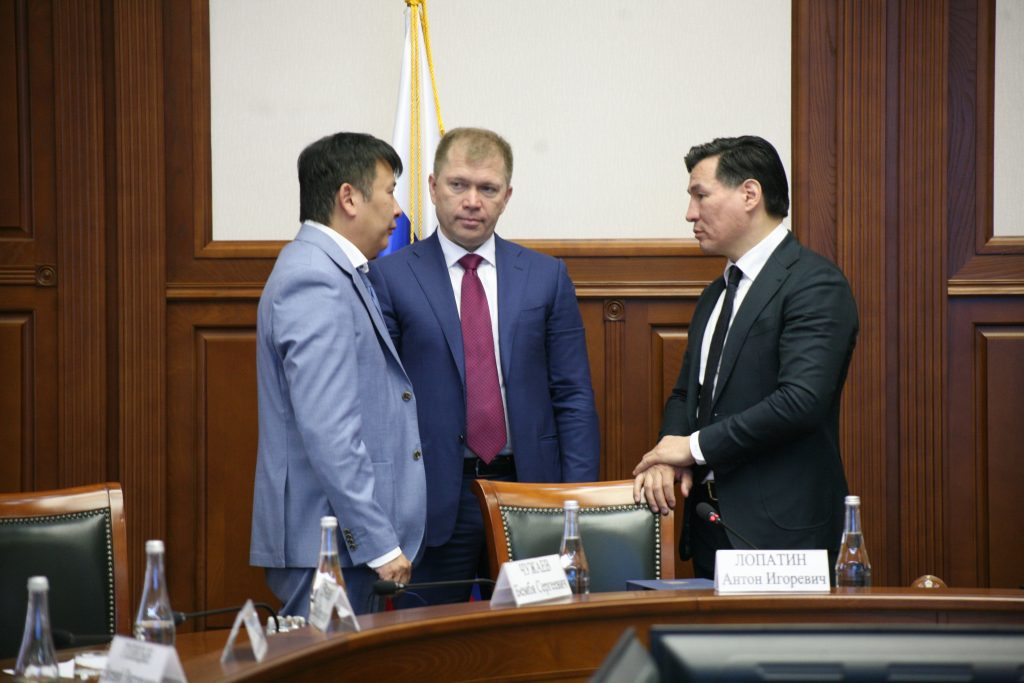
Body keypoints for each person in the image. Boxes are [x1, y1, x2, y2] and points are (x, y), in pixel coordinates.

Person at [370, 127, 600, 604]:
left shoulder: (545, 275)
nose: (472, 201)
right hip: (434, 497)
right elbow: (379, 401)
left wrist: (574, 500)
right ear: (433, 187)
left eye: (488, 188)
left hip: (528, 492)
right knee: (431, 637)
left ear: (507, 196)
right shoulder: (390, 276)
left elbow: (572, 394)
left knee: (532, 636)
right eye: (458, 185)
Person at [632, 135, 858, 580]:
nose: (690, 213)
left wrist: (691, 448)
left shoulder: (815, 284)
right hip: (709, 524)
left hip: (782, 534)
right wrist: (667, 452)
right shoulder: (716, 293)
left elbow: (800, 402)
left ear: (750, 194)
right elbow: (687, 394)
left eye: (700, 195)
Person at [250, 132, 426, 616]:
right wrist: (378, 542)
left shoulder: (335, 271)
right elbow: (330, 430)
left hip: (336, 541)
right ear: (349, 198)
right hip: (327, 546)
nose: (398, 210)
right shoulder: (315, 279)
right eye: (389, 191)